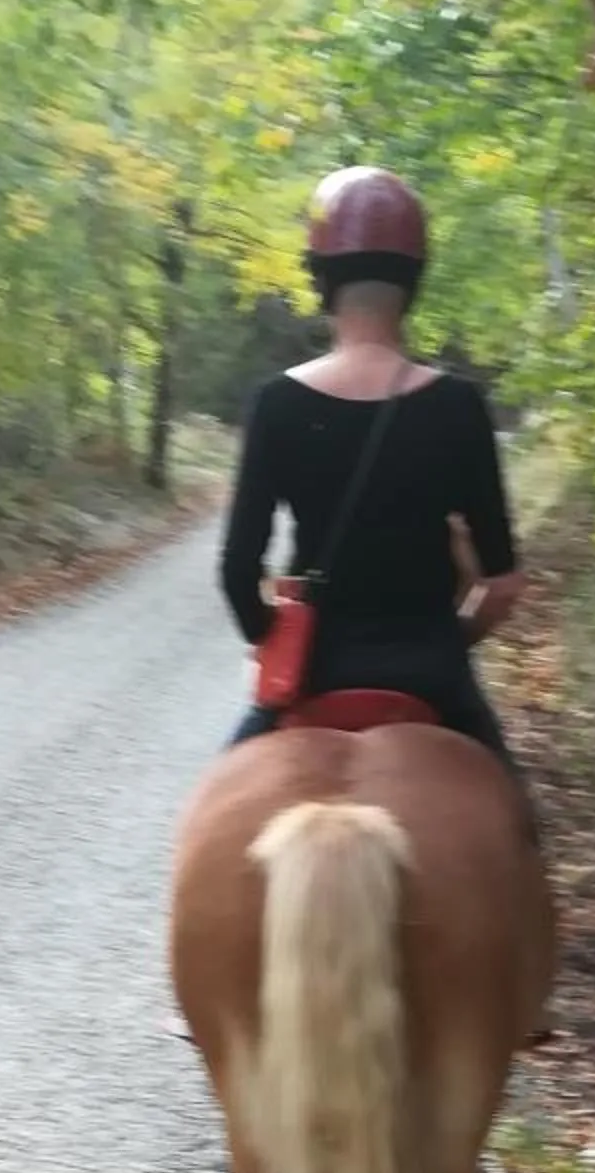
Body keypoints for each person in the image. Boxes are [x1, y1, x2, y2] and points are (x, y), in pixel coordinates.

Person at [218, 167, 529, 778]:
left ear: (321, 280)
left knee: (213, 811)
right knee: (518, 829)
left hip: (313, 670)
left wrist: (272, 635)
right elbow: (503, 584)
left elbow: (235, 573)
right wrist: (447, 643)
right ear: (414, 282)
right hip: (433, 674)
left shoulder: (276, 403)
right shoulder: (458, 405)